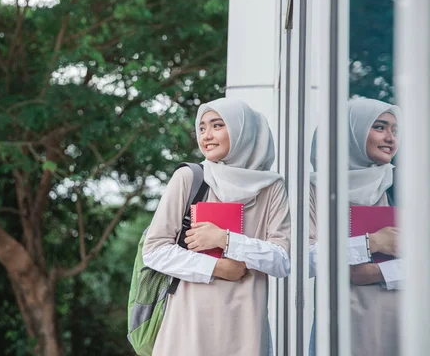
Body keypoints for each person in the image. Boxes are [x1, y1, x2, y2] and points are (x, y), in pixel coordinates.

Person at [142, 98, 291, 356]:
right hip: (188, 326)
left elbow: (282, 261)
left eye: (217, 125)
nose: (206, 136)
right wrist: (217, 267)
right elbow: (154, 250)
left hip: (245, 329)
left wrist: (226, 240)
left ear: (243, 131)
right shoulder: (190, 177)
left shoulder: (272, 188)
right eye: (201, 128)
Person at [309, 98, 402, 356]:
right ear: (351, 131)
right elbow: (303, 259)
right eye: (380, 127)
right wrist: (373, 242)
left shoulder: (401, 185)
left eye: (395, 130)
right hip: (340, 324)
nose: (390, 138)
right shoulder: (316, 191)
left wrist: (373, 273)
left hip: (400, 322)